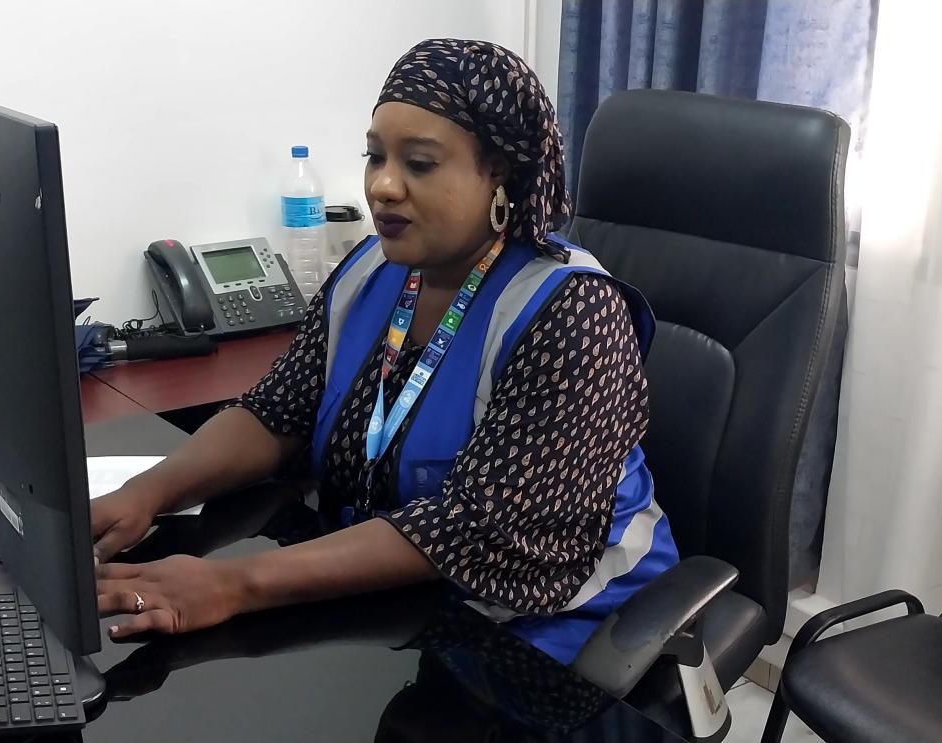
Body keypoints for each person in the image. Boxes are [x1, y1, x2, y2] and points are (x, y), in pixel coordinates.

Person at [90, 38, 677, 664]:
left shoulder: (574, 313)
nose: (383, 186)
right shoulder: (372, 268)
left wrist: (232, 585)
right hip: (405, 602)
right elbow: (276, 412)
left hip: (557, 626)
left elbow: (472, 530)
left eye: (419, 164)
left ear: (498, 174)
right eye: (375, 156)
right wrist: (148, 493)